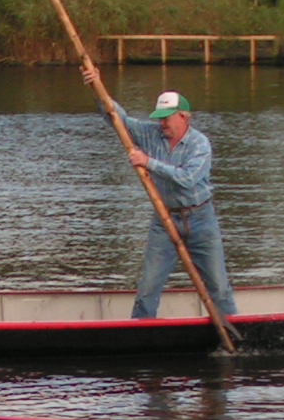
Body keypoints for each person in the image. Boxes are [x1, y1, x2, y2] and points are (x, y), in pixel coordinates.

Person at [84, 66, 237, 322]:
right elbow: (117, 118)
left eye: (167, 117)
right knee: (147, 288)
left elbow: (187, 179)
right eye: (160, 117)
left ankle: (236, 330)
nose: (162, 123)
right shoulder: (150, 133)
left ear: (183, 117)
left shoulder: (200, 144)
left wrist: (148, 162)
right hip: (164, 220)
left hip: (201, 219)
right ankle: (140, 330)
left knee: (219, 287)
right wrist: (97, 88)